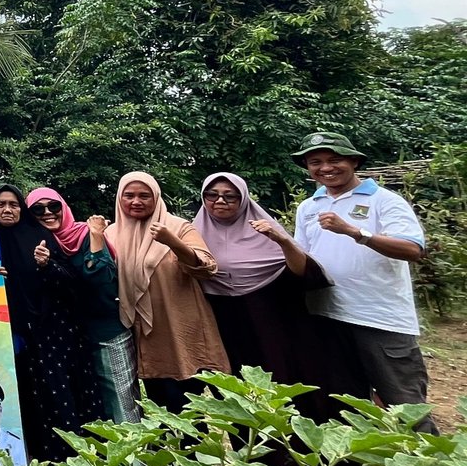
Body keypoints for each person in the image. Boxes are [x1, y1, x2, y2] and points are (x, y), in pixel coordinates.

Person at [290, 132, 436, 433]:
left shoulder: (383, 200)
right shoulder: (309, 207)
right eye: (315, 162)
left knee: (404, 404)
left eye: (334, 160)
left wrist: (356, 232)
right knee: (348, 405)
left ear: (354, 161)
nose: (325, 168)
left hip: (380, 319)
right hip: (328, 317)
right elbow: (303, 257)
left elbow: (413, 249)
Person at [192, 170, 359, 422]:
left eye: (230, 196)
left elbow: (304, 272)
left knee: (285, 382)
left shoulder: (264, 229)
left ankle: (296, 451)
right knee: (236, 391)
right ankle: (252, 453)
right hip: (223, 324)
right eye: (212, 195)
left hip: (273, 320)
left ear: (244, 199)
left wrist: (282, 240)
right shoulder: (194, 233)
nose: (220, 201)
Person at [106, 171, 227, 415]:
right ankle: (168, 451)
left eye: (144, 196)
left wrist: (173, 242)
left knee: (186, 398)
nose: (136, 201)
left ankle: (195, 450)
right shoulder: (111, 234)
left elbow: (207, 268)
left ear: (156, 197)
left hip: (179, 324)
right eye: (129, 196)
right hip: (141, 331)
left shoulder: (177, 227)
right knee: (159, 401)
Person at [0, 184, 95, 457]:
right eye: (1, 204)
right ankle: (29, 456)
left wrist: (46, 265)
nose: (7, 210)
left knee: (55, 391)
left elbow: (70, 282)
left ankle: (67, 457)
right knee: (19, 393)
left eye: (13, 204)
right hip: (5, 331)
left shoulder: (39, 235)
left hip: (50, 331)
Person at [23, 186, 129, 425]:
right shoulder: (40, 242)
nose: (48, 212)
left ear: (64, 207)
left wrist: (96, 237)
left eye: (54, 206)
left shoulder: (84, 234)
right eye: (38, 209)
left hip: (105, 328)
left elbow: (101, 277)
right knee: (93, 403)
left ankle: (137, 461)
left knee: (119, 399)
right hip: (72, 337)